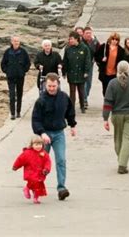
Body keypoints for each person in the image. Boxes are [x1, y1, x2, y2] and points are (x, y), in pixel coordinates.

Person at [31, 72, 76, 201]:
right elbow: (35, 120)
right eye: (49, 86)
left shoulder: (64, 97)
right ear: (45, 85)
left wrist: (72, 125)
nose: (51, 88)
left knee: (61, 160)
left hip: (59, 134)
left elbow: (70, 112)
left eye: (53, 86)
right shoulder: (41, 100)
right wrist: (42, 133)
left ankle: (61, 188)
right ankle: (37, 186)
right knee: (40, 162)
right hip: (44, 135)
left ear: (58, 85)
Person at [12, 135, 51, 204]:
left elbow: (47, 162)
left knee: (38, 186)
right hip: (30, 171)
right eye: (36, 144)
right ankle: (26, 188)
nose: (38, 146)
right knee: (33, 181)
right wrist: (16, 166)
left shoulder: (44, 154)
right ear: (32, 145)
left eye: (40, 144)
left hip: (40, 172)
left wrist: (46, 169)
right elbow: (20, 159)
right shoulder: (27, 153)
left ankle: (36, 198)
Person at [0, 36, 31, 119]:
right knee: (12, 94)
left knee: (19, 94)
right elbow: (3, 63)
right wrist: (7, 71)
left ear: (19, 42)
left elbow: (28, 63)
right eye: (14, 41)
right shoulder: (7, 52)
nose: (16, 42)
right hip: (10, 77)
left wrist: (23, 71)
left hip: (20, 76)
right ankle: (12, 113)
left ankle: (18, 112)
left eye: (17, 41)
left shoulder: (23, 52)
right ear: (11, 42)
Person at [62, 31, 91, 113]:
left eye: (71, 39)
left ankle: (82, 106)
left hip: (81, 73)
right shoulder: (68, 48)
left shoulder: (84, 48)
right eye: (69, 39)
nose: (70, 41)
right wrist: (64, 72)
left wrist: (86, 71)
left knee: (81, 91)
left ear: (76, 39)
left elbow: (87, 61)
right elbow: (65, 61)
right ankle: (72, 108)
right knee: (72, 92)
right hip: (71, 73)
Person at [82, 27, 99, 107]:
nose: (88, 35)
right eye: (87, 33)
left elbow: (99, 52)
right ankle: (84, 99)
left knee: (89, 83)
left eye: (90, 33)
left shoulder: (94, 42)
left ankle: (85, 96)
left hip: (90, 65)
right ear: (83, 34)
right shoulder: (80, 42)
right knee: (83, 82)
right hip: (81, 64)